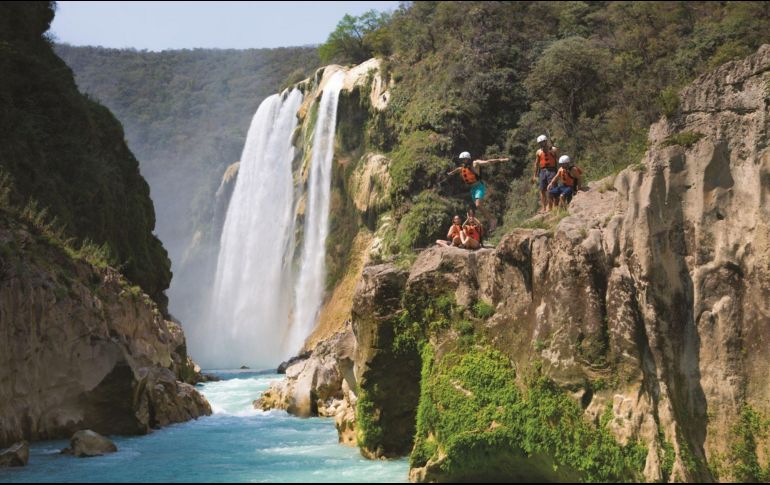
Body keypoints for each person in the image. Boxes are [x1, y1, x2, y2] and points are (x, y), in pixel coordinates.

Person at [447, 151, 509, 232]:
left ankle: (492, 220)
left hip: (479, 186)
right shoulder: (462, 168)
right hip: (472, 189)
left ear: (468, 159)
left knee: (478, 204)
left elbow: (488, 162)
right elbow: (457, 170)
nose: (463, 161)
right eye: (462, 160)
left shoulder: (475, 163)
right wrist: (451, 173)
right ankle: (490, 220)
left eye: (464, 159)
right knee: (478, 206)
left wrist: (501, 160)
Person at [531, 135, 559, 213]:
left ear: (546, 141)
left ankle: (553, 206)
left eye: (543, 142)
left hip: (552, 170)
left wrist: (560, 171)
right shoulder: (538, 152)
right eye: (540, 143)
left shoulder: (553, 149)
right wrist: (534, 175)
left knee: (552, 188)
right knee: (542, 190)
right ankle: (544, 208)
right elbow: (536, 164)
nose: (542, 144)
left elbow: (559, 160)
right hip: (542, 171)